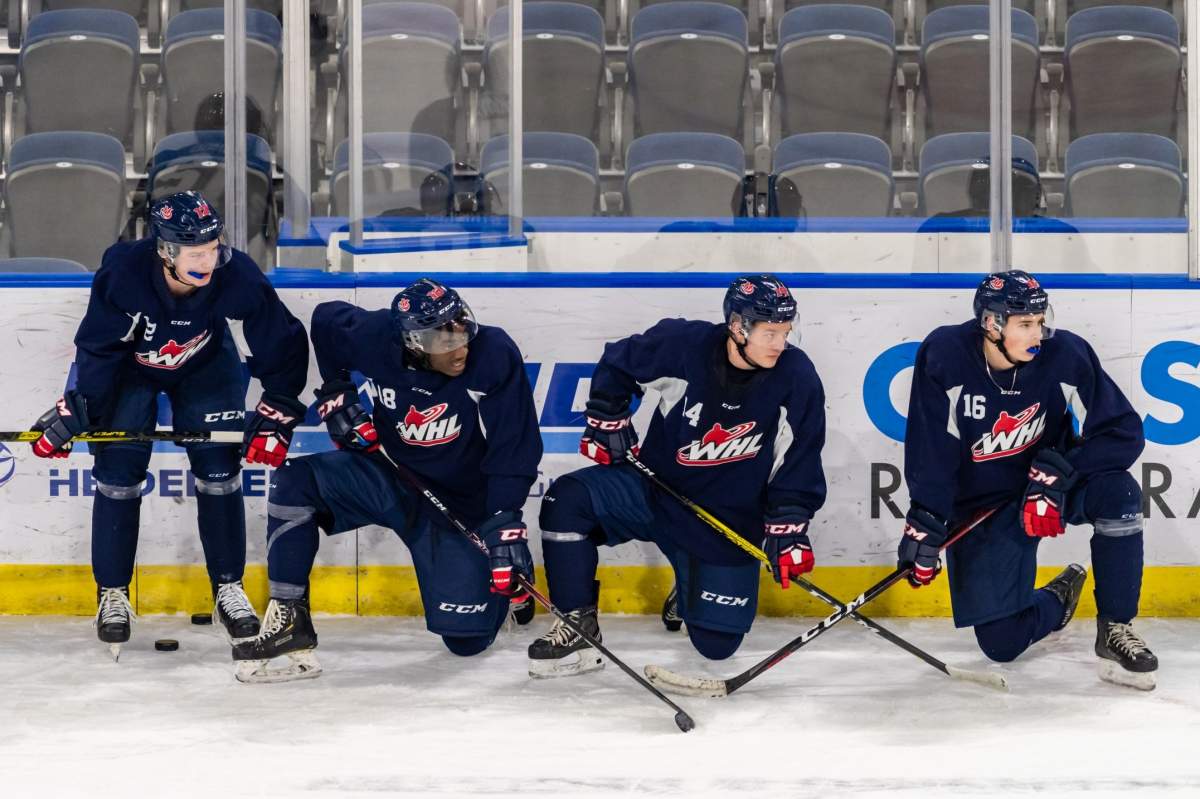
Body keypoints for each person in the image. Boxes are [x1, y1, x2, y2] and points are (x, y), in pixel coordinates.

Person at [29, 191, 310, 659]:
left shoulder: (233, 272)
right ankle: (113, 593)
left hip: (205, 364)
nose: (208, 259)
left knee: (220, 472)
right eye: (195, 252)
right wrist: (80, 409)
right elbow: (99, 348)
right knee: (118, 476)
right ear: (164, 250)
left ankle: (227, 586)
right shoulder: (123, 272)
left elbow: (279, 335)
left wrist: (280, 405)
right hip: (129, 370)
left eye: (212, 247)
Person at [232, 278, 542, 682]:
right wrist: (338, 390)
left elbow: (514, 446)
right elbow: (325, 320)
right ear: (412, 343)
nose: (459, 349)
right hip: (387, 475)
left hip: (459, 503)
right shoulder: (374, 338)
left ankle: (508, 590)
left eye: (461, 331)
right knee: (294, 481)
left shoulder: (493, 354)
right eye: (442, 343)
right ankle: (290, 621)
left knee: (465, 642)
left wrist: (502, 522)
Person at [527, 274, 827, 677]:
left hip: (726, 520)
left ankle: (690, 590)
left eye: (785, 333)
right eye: (770, 333)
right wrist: (607, 412)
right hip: (654, 494)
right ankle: (577, 625)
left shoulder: (796, 375)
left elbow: (801, 455)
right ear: (737, 327)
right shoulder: (685, 346)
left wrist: (789, 523)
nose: (780, 344)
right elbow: (619, 361)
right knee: (566, 501)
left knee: (716, 648)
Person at [899, 270, 1157, 689]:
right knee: (1002, 643)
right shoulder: (946, 355)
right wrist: (925, 523)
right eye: (1025, 325)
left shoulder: (1066, 355)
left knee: (1119, 493)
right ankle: (1059, 597)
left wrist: (1059, 472)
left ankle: (1115, 628)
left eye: (1040, 321)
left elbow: (1122, 432)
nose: (1038, 334)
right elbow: (931, 448)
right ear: (991, 324)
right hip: (985, 505)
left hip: (1053, 487)